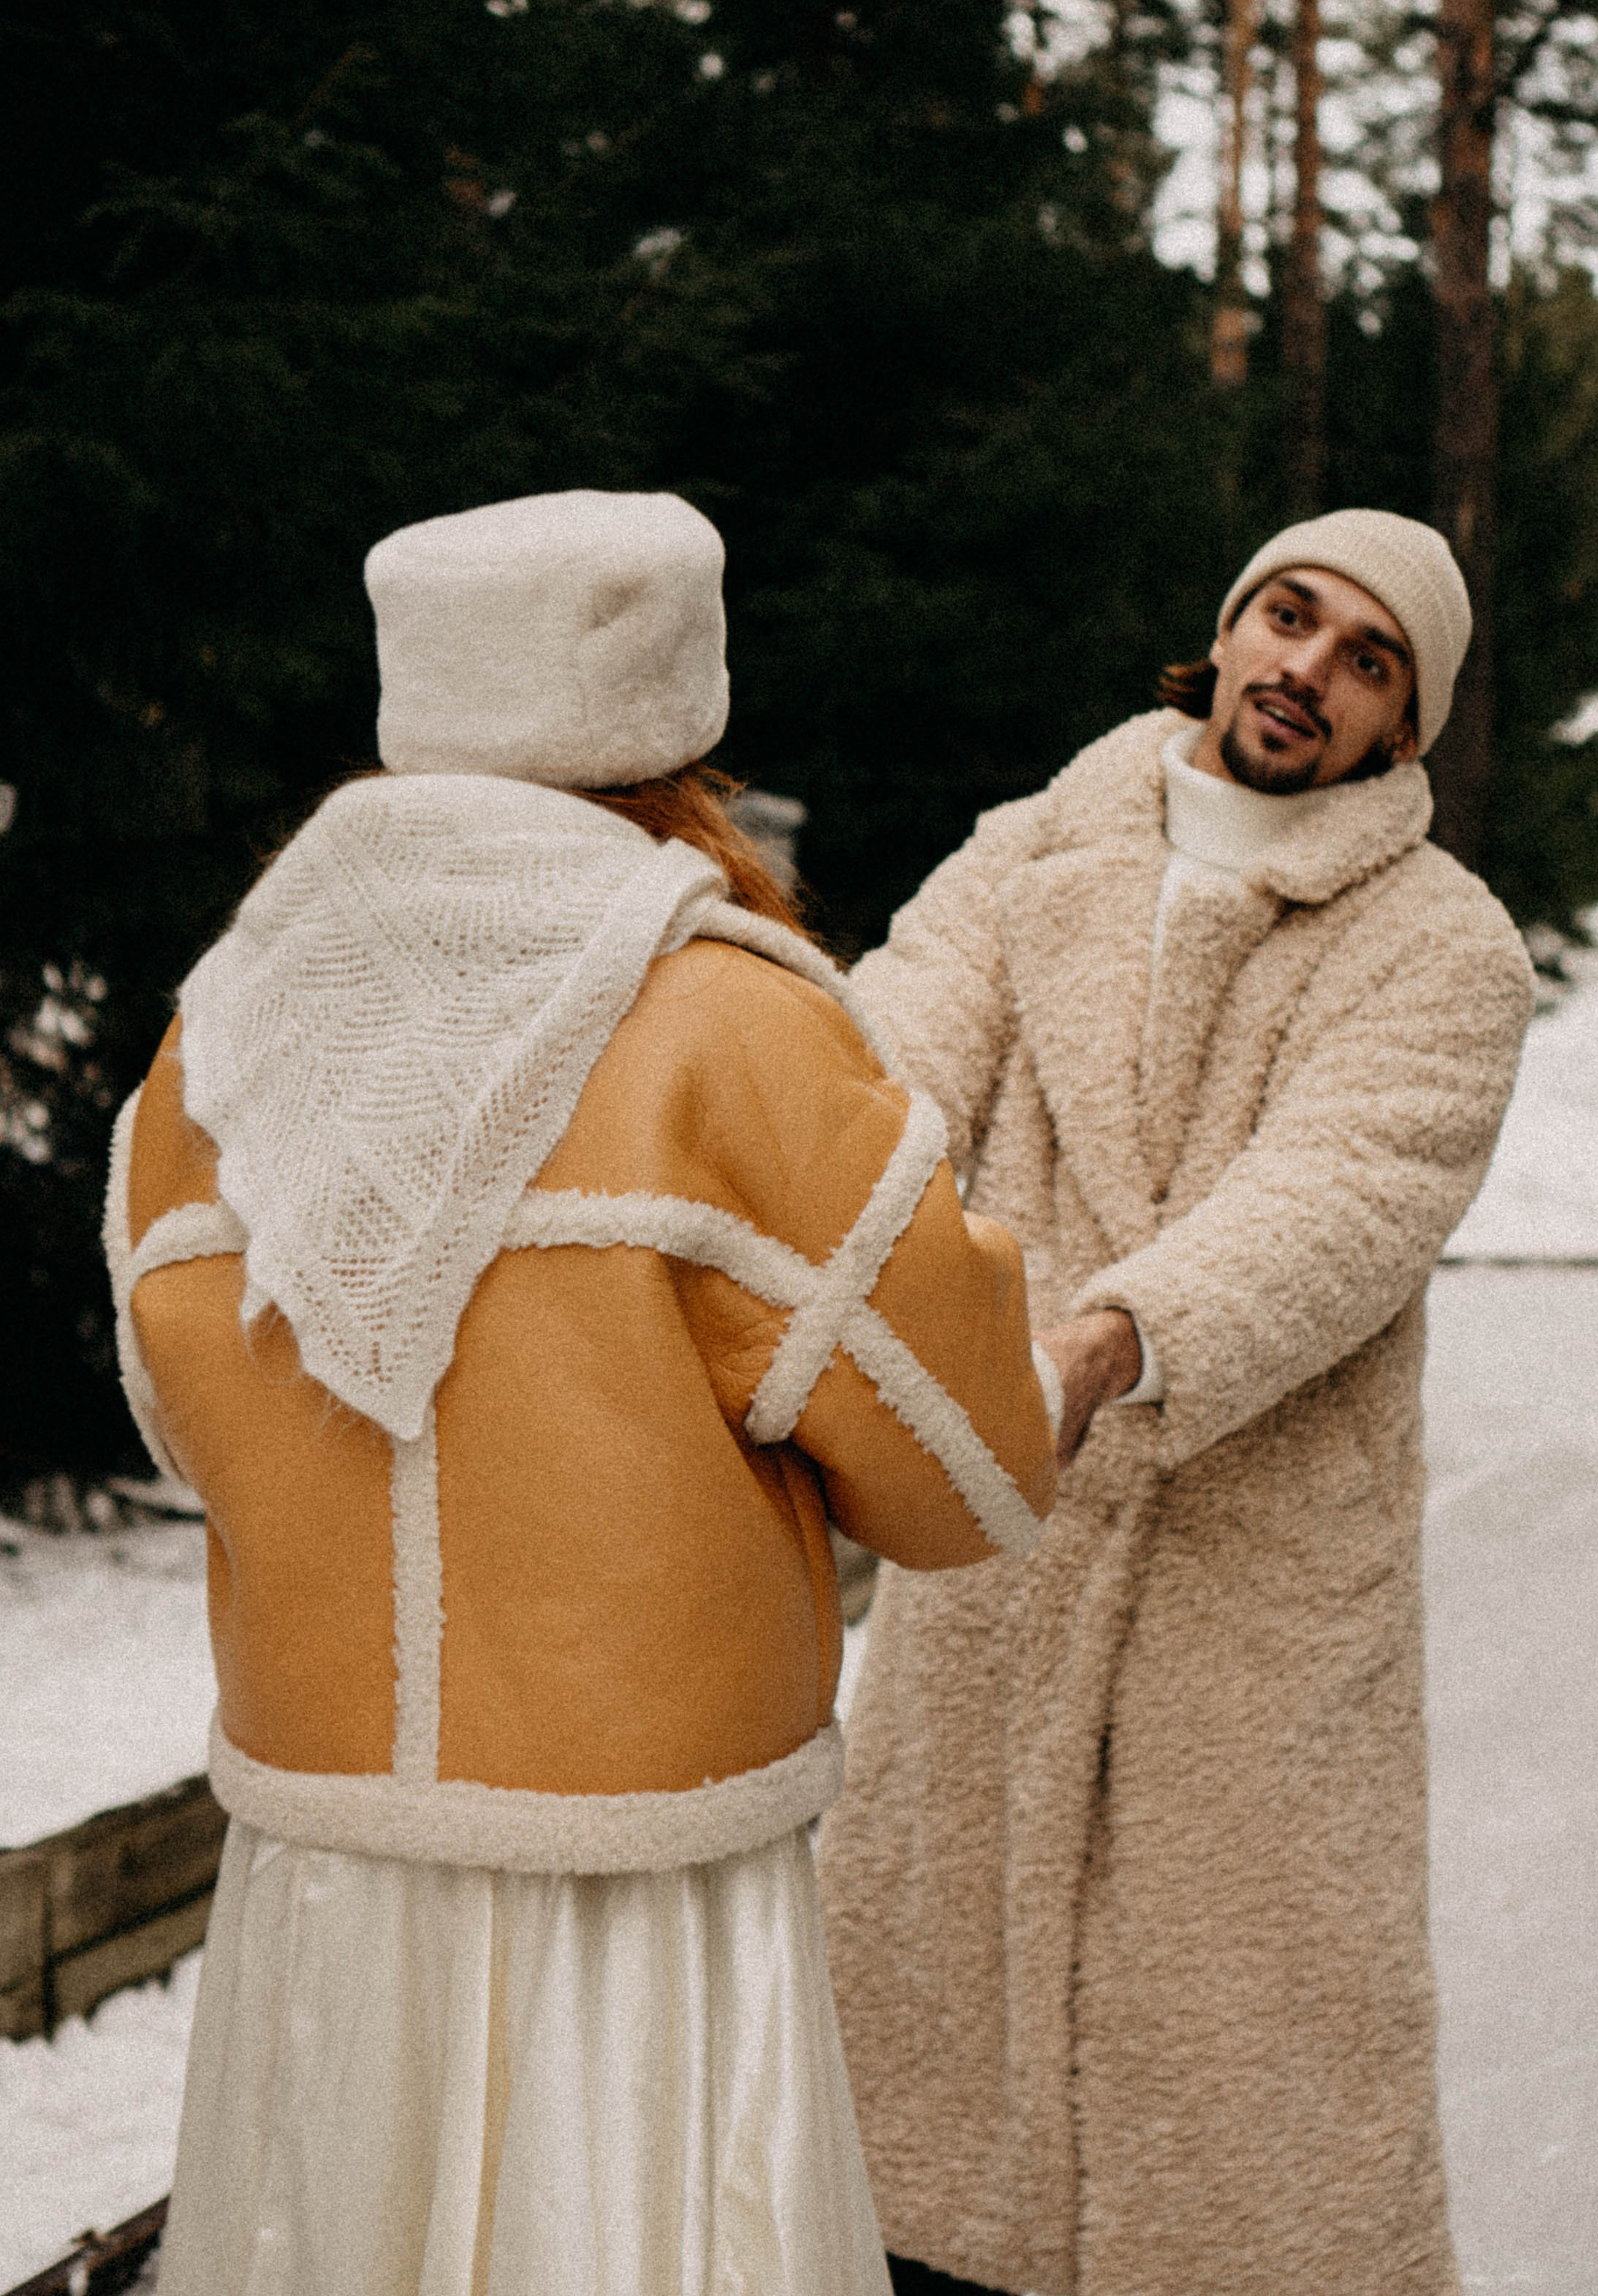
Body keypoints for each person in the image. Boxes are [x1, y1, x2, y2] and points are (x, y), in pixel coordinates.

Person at [103, 489, 1057, 2296]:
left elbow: (187, 1420)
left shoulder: (216, 1037)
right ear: (676, 726)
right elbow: (967, 1479)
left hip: (325, 1877)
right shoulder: (736, 1024)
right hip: (643, 1904)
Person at [817, 508, 1536, 2296]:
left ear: (1401, 725)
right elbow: (883, 1071)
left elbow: (1341, 1203)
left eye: (1368, 659)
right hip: (997, 1564)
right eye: (1288, 619)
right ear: (1222, 634)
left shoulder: (1443, 949)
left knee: (1242, 2112)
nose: (1308, 668)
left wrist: (1103, 1341)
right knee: (926, 2088)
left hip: (1252, 1600)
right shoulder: (1033, 850)